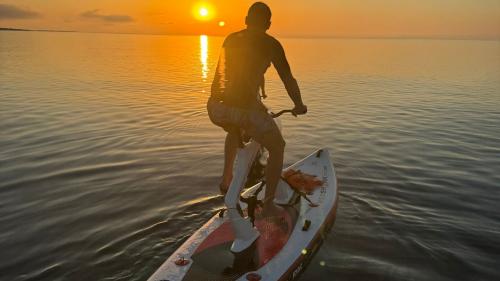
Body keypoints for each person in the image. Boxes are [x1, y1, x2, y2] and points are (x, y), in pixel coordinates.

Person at [207, 2, 307, 219]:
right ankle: (269, 206)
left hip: (216, 108)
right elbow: (288, 79)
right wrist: (299, 105)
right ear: (268, 24)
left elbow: (233, 80)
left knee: (236, 128)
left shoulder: (231, 38)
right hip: (243, 110)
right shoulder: (271, 44)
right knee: (278, 146)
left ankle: (226, 178)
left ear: (246, 20)